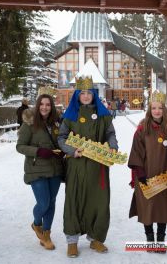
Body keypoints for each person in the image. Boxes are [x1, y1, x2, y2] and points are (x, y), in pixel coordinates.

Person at [58, 76, 118, 257]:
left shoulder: (103, 115)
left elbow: (110, 133)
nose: (85, 96)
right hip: (76, 165)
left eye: (88, 93)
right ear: (77, 95)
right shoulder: (70, 115)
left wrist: (113, 147)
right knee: (74, 201)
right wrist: (71, 150)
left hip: (98, 166)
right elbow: (61, 138)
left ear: (94, 94)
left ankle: (96, 239)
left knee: (99, 202)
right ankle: (72, 241)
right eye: (82, 93)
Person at [128, 90, 167, 253]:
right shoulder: (142, 130)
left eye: (160, 108)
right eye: (154, 108)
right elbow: (136, 151)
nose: (157, 111)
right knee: (147, 208)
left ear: (164, 110)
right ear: (150, 110)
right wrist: (140, 174)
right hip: (146, 176)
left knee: (162, 208)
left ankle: (161, 240)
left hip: (165, 176)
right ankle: (150, 240)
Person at [16, 89, 64, 251]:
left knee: (51, 202)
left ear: (51, 106)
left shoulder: (57, 122)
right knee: (43, 202)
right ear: (37, 106)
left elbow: (63, 141)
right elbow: (20, 146)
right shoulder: (29, 123)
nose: (44, 107)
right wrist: (38, 151)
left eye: (48, 104)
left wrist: (63, 150)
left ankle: (46, 234)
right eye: (42, 104)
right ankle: (37, 224)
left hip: (55, 169)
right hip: (36, 169)